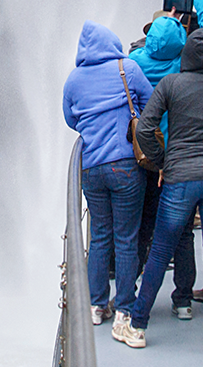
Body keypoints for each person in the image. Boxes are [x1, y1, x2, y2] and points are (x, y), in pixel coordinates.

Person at [114, 28, 203, 357]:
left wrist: (161, 163)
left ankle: (138, 326)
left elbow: (144, 127)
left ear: (186, 56)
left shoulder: (171, 84)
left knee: (159, 251)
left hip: (179, 177)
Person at [129, 0, 203, 321]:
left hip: (144, 157)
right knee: (182, 231)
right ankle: (182, 299)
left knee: (140, 225)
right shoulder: (184, 64)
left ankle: (129, 294)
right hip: (177, 159)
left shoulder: (134, 63)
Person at [62, 21, 152, 329]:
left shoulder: (74, 80)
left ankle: (95, 305)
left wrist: (93, 127)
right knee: (126, 238)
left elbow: (71, 118)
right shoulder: (127, 68)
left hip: (91, 167)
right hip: (126, 165)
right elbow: (151, 105)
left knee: (99, 236)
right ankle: (125, 308)